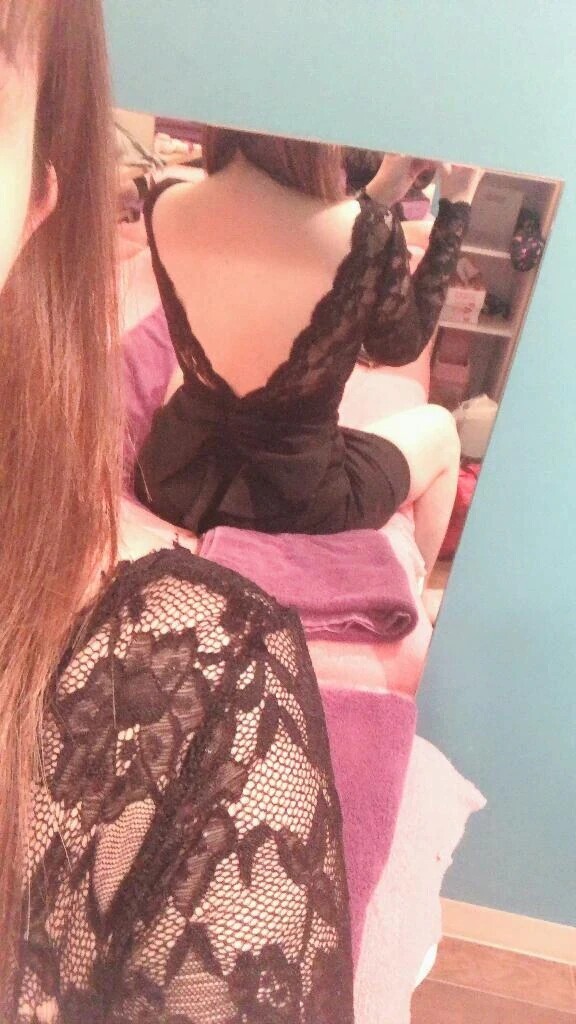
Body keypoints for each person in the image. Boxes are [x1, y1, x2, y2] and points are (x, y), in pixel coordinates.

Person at [0, 3, 353, 1020]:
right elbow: (395, 335)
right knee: (418, 439)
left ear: (38, 199)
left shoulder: (167, 208)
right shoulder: (362, 232)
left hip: (181, 465)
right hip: (295, 479)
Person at [135, 128, 482, 580]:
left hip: (173, 478)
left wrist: (379, 195)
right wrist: (456, 205)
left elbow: (279, 255)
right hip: (294, 499)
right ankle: (411, 593)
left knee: (187, 374)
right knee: (440, 429)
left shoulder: (163, 201)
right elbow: (397, 347)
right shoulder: (370, 230)